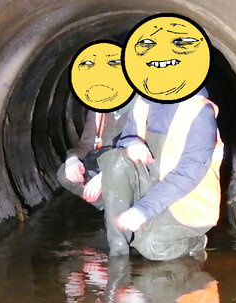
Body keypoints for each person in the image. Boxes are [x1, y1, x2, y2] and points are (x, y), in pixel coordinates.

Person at [99, 90, 223, 259]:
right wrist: (132, 142)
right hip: (151, 185)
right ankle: (118, 254)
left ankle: (195, 241)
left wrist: (143, 210)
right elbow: (126, 137)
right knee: (115, 160)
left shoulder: (199, 110)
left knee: (152, 246)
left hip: (186, 202)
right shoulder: (143, 102)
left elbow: (189, 173)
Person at [56, 96, 134, 208]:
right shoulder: (99, 108)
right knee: (65, 173)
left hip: (132, 167)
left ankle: (127, 210)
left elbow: (142, 154)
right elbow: (87, 144)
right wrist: (72, 158)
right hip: (104, 163)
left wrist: (106, 175)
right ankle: (109, 208)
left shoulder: (143, 106)